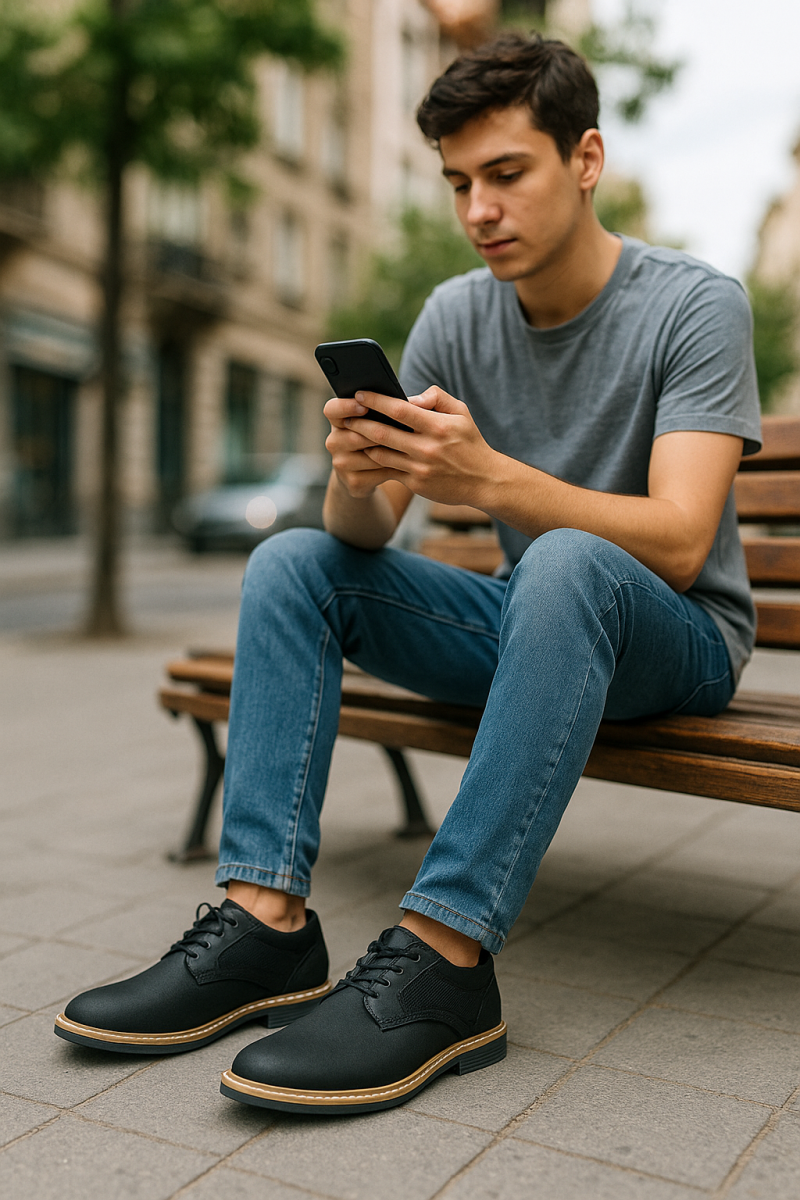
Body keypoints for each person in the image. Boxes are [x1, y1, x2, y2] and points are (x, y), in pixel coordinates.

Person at [56, 33, 761, 1115]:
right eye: (457, 183)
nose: (478, 208)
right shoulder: (454, 312)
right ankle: (263, 927)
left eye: (506, 174)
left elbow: (673, 540)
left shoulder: (691, 305)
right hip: (538, 624)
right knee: (295, 559)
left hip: (672, 641)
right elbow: (364, 533)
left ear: (584, 160)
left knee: (568, 562)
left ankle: (445, 960)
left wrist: (489, 480)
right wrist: (356, 471)